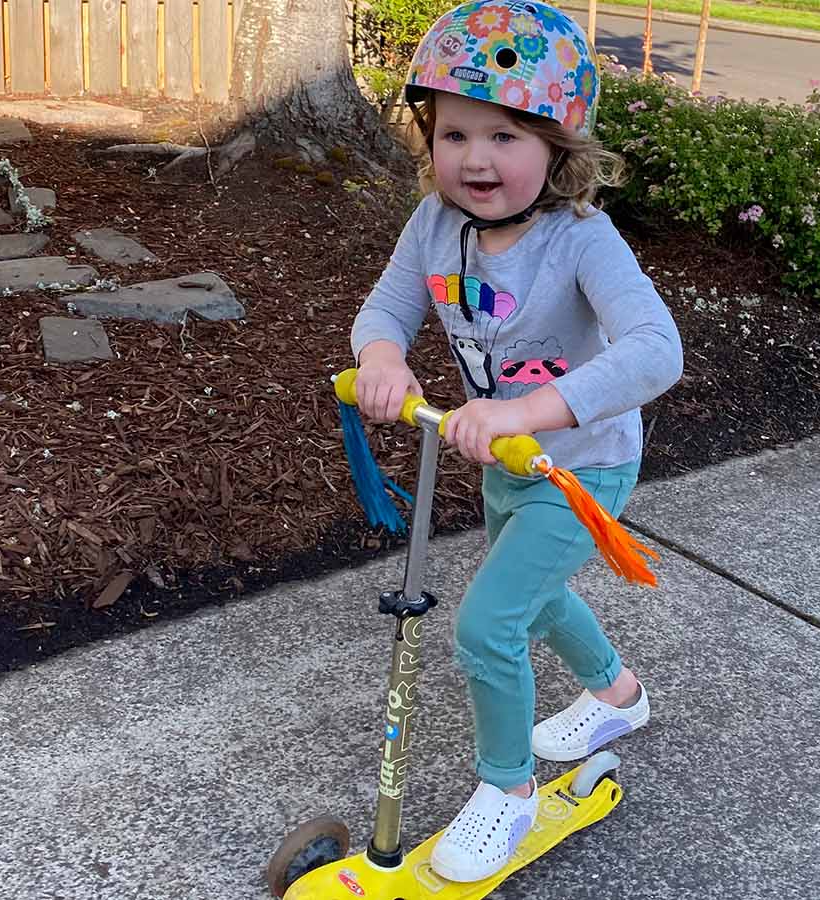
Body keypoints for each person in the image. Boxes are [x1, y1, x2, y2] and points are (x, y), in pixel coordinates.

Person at [349, 0, 683, 883]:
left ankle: (509, 793)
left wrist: (519, 415)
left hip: (581, 468)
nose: (474, 158)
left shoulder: (582, 241)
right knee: (529, 599)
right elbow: (388, 308)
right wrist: (383, 359)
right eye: (455, 134)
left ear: (558, 148)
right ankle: (619, 696)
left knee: (488, 624)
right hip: (504, 463)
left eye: (505, 136)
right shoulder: (434, 226)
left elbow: (656, 351)